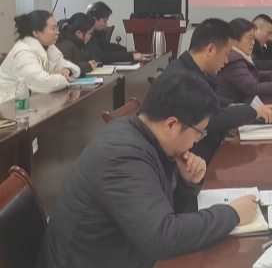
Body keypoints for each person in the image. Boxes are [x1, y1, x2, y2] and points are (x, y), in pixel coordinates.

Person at [36, 72, 259, 268]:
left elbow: (162, 213)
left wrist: (186, 183)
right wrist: (232, 214)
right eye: (199, 132)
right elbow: (162, 237)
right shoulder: (123, 155)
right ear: (171, 124)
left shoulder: (139, 135)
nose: (197, 140)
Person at [160, 18, 272, 164]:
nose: (226, 61)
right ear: (210, 50)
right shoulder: (183, 78)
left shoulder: (191, 69)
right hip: (187, 159)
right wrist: (252, 111)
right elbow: (209, 119)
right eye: (226, 54)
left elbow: (212, 99)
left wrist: (235, 106)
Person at [217, 17, 272, 104]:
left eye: (253, 38)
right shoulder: (234, 60)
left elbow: (252, 74)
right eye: (249, 38)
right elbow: (253, 88)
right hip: (233, 107)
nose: (253, 42)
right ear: (234, 41)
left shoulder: (238, 55)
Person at [0, 11, 81, 103]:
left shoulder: (49, 48)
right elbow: (46, 84)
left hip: (28, 101)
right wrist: (65, 78)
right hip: (7, 104)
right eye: (53, 28)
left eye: (57, 28)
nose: (57, 32)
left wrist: (67, 70)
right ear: (36, 32)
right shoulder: (23, 53)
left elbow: (75, 68)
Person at [56, 12, 98, 77]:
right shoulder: (66, 45)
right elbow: (67, 68)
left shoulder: (78, 44)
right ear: (78, 33)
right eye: (90, 33)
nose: (91, 37)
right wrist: (88, 66)